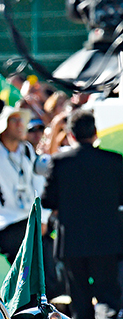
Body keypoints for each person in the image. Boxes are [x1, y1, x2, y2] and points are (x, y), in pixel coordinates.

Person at [42, 110, 123, 319]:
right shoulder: (114, 161)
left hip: (72, 241)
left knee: (79, 299)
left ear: (71, 135)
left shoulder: (60, 163)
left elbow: (47, 200)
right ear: (95, 133)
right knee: (108, 298)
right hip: (107, 240)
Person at [0, 106, 45, 263]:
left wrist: (43, 218)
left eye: (21, 120)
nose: (20, 125)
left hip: (30, 220)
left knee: (52, 268)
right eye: (14, 120)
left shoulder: (26, 150)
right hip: (7, 225)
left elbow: (39, 184)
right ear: (3, 126)